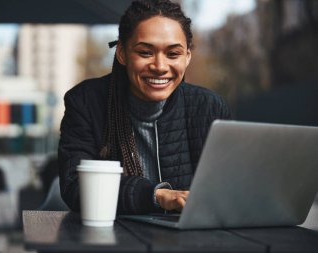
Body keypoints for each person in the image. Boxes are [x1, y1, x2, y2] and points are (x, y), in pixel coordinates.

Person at [58, 0, 231, 214]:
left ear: (187, 57)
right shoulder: (85, 102)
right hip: (115, 239)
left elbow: (228, 190)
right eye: (145, 52)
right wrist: (156, 196)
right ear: (121, 53)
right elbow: (75, 187)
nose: (159, 67)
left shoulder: (209, 107)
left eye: (173, 54)